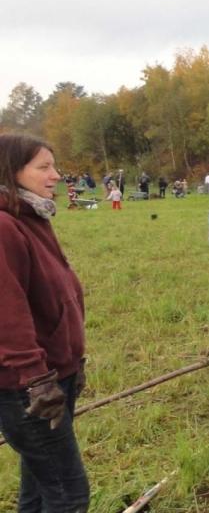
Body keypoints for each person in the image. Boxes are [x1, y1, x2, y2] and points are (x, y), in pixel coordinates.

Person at [0, 134, 90, 512]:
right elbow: (7, 312)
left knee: (40, 488)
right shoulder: (4, 226)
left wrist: (72, 363)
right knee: (69, 494)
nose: (55, 175)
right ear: (12, 171)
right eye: (43, 167)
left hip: (54, 373)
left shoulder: (32, 215)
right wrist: (36, 380)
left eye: (54, 165)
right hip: (29, 386)